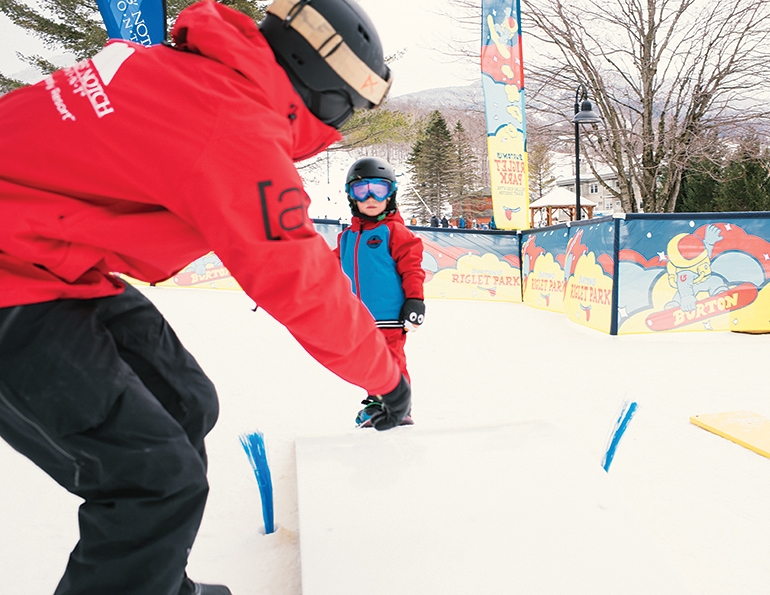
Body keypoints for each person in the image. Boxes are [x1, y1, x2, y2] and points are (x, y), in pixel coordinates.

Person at [0, 1, 411, 594]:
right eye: (351, 105)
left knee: (184, 401)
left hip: (48, 257)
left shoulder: (182, 70)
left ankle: (155, 583)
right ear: (325, 92)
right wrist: (387, 378)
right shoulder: (234, 125)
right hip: (15, 273)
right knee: (154, 479)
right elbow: (300, 281)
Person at [333, 157, 426, 427]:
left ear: (391, 194)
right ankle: (376, 401)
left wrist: (414, 301)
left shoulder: (395, 232)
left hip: (390, 316)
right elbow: (327, 266)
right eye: (362, 190)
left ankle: (401, 407)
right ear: (352, 196)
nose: (371, 197)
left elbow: (412, 269)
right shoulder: (347, 238)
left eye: (380, 189)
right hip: (359, 318)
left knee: (392, 359)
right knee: (367, 361)